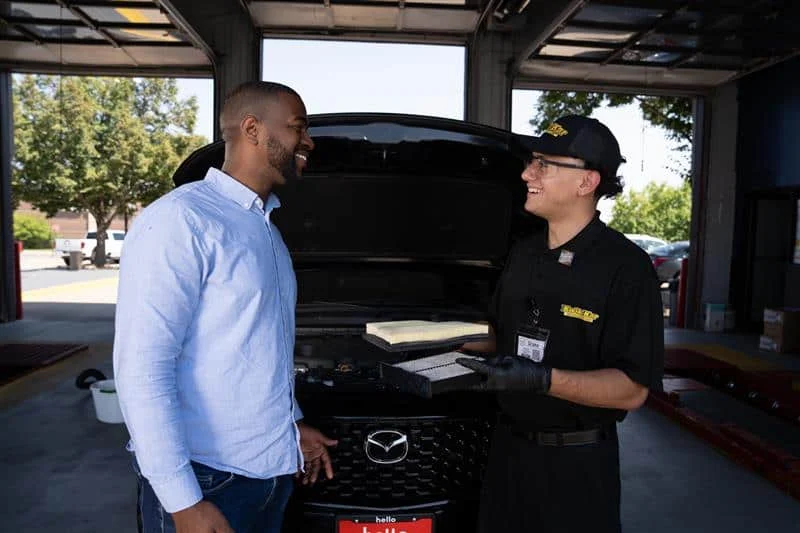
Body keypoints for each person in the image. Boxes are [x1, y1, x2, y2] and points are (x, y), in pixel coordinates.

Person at [113, 81, 337, 533]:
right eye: (298, 128)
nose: (308, 141)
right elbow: (143, 368)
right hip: (206, 481)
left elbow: (255, 354)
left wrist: (290, 425)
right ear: (252, 129)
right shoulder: (181, 221)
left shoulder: (265, 228)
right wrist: (183, 502)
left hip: (268, 479)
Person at [457, 115, 664, 533]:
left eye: (542, 165)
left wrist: (540, 379)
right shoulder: (523, 253)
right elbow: (501, 334)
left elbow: (632, 389)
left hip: (578, 469)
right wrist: (435, 341)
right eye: (531, 162)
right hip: (507, 458)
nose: (526, 174)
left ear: (586, 182)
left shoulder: (626, 268)